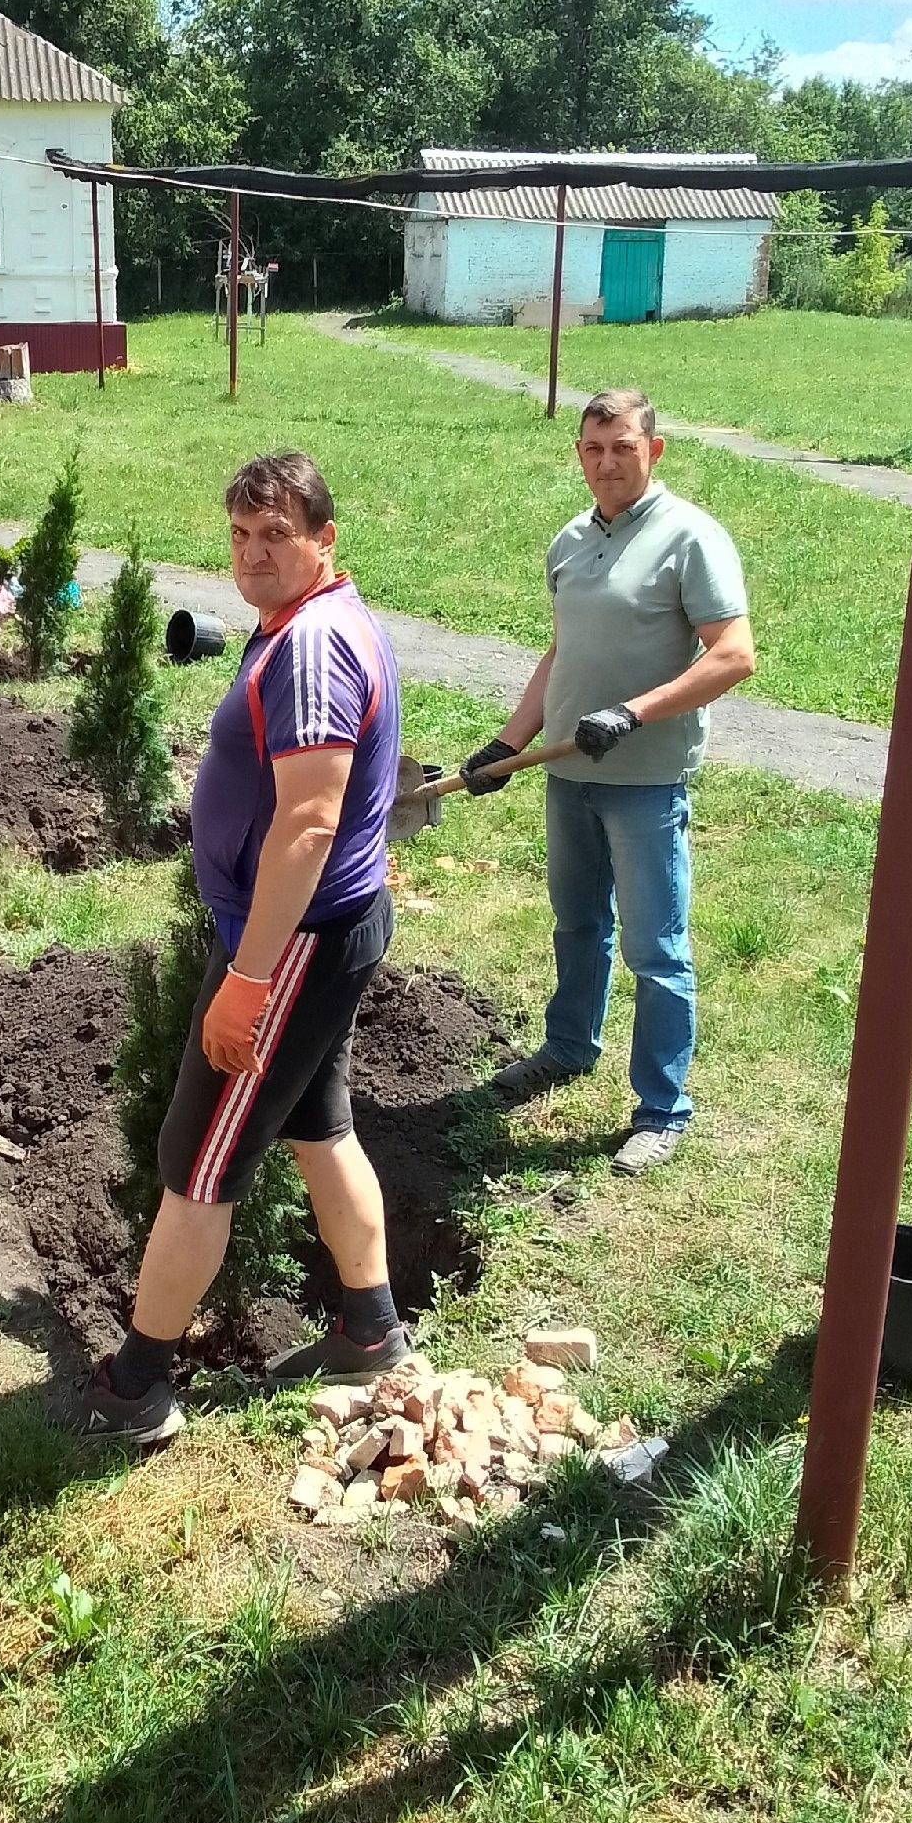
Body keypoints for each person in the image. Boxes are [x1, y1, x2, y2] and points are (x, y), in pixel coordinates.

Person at [75, 451, 406, 1444]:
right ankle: (373, 1329)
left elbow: (308, 826)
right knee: (320, 1127)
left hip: (292, 942)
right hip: (313, 933)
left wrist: (249, 981)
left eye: (277, 536)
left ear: (324, 541)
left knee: (198, 1160)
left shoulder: (310, 646)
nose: (254, 555)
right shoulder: (308, 626)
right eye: (239, 535)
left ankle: (137, 1386)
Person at [460, 387, 755, 1174]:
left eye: (622, 446)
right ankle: (566, 1049)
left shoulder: (690, 537)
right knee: (577, 923)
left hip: (645, 780)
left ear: (653, 450)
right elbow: (561, 654)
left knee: (656, 949)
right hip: (567, 771)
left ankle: (663, 1109)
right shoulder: (568, 542)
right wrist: (507, 740)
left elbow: (732, 655)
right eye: (593, 449)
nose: (606, 462)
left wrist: (632, 712)